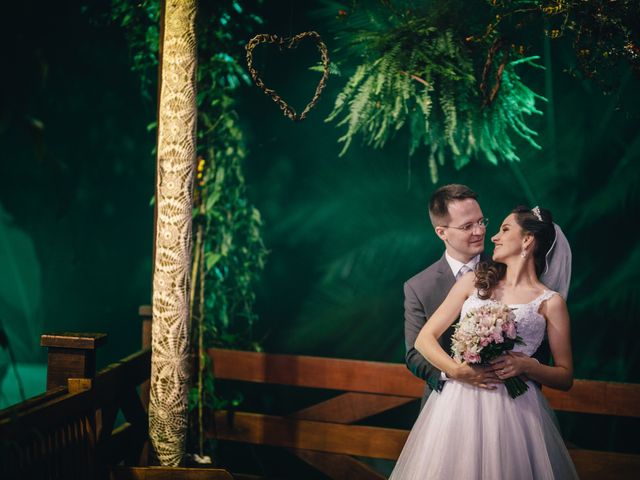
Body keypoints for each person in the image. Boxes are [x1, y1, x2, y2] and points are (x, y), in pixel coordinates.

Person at [390, 206, 578, 479]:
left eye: (504, 229)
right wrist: (457, 371)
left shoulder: (550, 302)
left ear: (527, 240)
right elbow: (424, 340)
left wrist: (527, 365)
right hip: (458, 403)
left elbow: (565, 376)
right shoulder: (474, 282)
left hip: (516, 413)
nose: (493, 238)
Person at [404, 185, 549, 404]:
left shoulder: (509, 269)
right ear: (441, 232)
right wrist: (455, 372)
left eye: (481, 222)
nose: (480, 231)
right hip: (444, 403)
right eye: (467, 226)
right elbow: (414, 355)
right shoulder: (418, 286)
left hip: (510, 400)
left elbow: (537, 345)